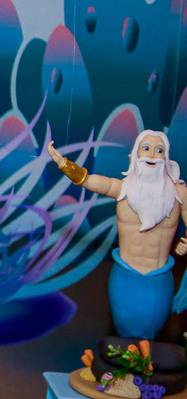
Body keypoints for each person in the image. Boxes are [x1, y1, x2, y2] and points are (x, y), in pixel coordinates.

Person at [47, 130, 187, 340]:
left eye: (159, 150)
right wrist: (63, 164)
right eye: (146, 148)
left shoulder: (179, 194)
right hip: (124, 277)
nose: (152, 155)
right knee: (124, 340)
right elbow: (87, 180)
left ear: (166, 158)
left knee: (149, 341)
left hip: (158, 281)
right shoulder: (121, 189)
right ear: (135, 155)